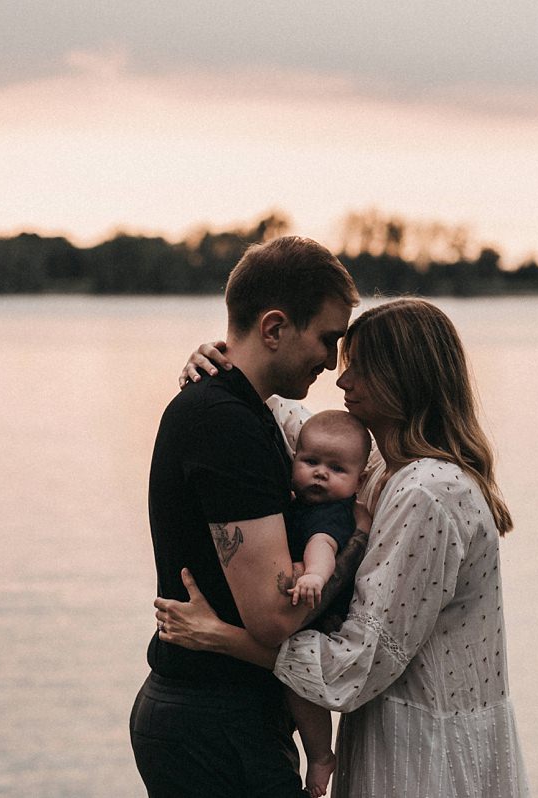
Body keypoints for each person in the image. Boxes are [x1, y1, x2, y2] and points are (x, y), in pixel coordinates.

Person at [157, 298, 531, 797]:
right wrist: (219, 362)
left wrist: (224, 637)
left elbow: (357, 664)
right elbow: (295, 419)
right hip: (406, 741)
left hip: (425, 759)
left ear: (403, 378)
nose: (340, 379)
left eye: (359, 368)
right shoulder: (384, 469)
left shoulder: (429, 491)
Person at [130, 235, 369, 798]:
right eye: (327, 338)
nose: (332, 362)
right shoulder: (226, 424)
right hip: (213, 723)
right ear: (275, 328)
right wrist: (354, 541)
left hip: (219, 717)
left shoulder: (243, 412)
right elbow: (275, 619)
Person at [281, 409, 373, 797]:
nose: (320, 473)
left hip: (324, 614)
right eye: (311, 462)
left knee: (299, 687)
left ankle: (320, 754)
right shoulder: (301, 503)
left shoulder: (331, 514)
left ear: (358, 481)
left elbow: (324, 546)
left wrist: (314, 576)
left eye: (337, 469)